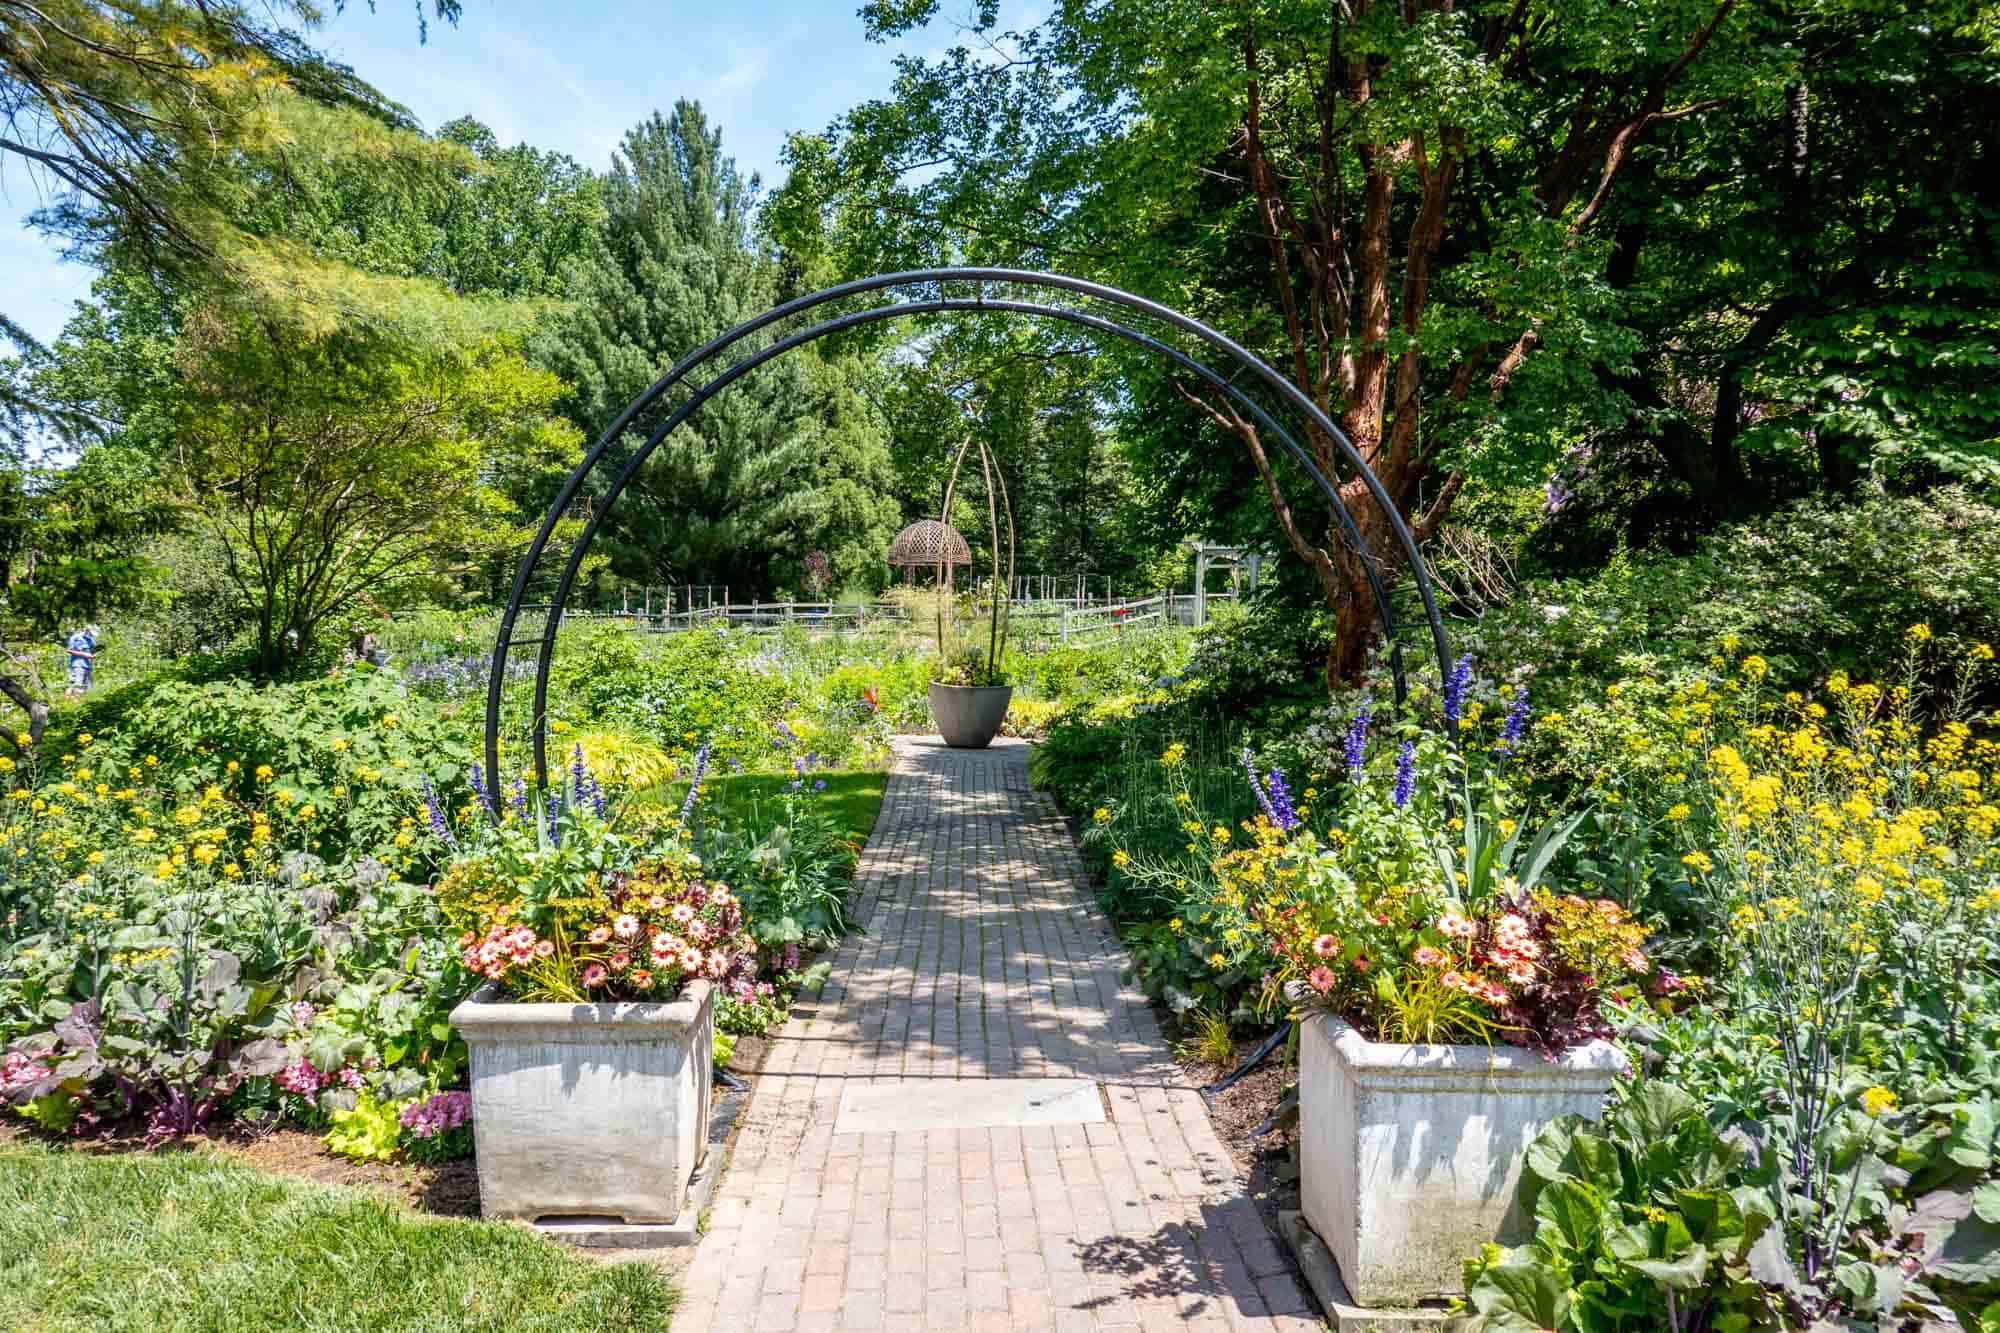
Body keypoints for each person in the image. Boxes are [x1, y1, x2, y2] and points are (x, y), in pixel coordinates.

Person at [64, 624, 98, 697]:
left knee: (88, 687)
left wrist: (94, 655)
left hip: (88, 666)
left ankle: (82, 702)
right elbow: (69, 650)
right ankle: (72, 701)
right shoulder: (75, 638)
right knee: (77, 685)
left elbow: (93, 651)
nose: (92, 635)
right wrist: (84, 654)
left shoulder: (92, 640)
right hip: (78, 665)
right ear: (86, 630)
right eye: (91, 633)